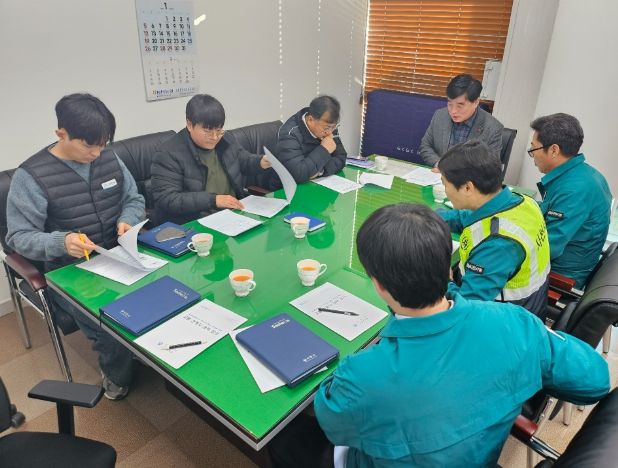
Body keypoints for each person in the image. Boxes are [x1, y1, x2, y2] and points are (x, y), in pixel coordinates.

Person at [269, 203, 609, 468]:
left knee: (283, 438)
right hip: (482, 457)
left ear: (378, 285)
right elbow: (594, 381)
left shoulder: (364, 374)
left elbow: (332, 421)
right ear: (448, 268)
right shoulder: (516, 322)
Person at [5, 93, 145, 400]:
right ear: (61, 134)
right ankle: (116, 377)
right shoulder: (31, 177)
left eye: (103, 144)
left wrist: (127, 219)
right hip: (71, 272)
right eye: (88, 145)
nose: (97, 153)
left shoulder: (109, 157)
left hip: (120, 255)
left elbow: (134, 199)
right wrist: (61, 242)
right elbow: (18, 237)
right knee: (110, 329)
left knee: (164, 294)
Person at [437, 139, 550, 316]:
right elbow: (468, 217)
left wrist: (445, 281)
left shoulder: (498, 244)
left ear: (467, 188)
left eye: (445, 184)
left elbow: (466, 309)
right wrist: (426, 218)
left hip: (506, 319)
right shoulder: (525, 202)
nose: (445, 190)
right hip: (529, 301)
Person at [151, 94, 272, 225]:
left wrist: (261, 162)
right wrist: (213, 200)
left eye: (219, 130)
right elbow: (168, 199)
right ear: (189, 124)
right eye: (208, 131)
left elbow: (243, 160)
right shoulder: (168, 153)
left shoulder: (225, 139)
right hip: (196, 222)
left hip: (234, 213)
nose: (214, 137)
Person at [529, 113, 612, 289]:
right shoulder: (586, 174)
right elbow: (551, 210)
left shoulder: (573, 190)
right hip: (567, 264)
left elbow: (548, 247)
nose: (532, 156)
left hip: (558, 279)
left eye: (533, 149)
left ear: (554, 150)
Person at [419, 74, 504, 168]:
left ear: (476, 102)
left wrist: (456, 173)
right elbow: (425, 146)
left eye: (459, 106)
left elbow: (491, 167)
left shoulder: (493, 128)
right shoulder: (440, 115)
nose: (453, 111)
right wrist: (439, 164)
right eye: (450, 104)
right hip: (439, 173)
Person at [276, 95, 347, 183]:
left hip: (317, 183)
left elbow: (341, 158)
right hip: (287, 187)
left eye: (334, 127)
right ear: (310, 120)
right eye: (327, 128)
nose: (330, 133)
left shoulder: (329, 126)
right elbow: (298, 174)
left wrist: (321, 171)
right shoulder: (290, 134)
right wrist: (324, 149)